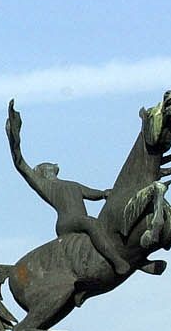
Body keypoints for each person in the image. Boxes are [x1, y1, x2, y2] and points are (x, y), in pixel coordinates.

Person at [7, 100, 131, 274]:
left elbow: (92, 193)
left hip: (80, 219)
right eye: (46, 164)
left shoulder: (72, 185)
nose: (51, 164)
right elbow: (20, 163)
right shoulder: (45, 185)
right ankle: (117, 261)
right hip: (68, 223)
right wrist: (13, 136)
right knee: (91, 223)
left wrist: (104, 194)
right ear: (41, 172)